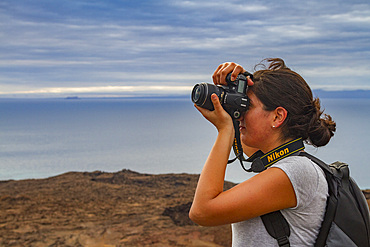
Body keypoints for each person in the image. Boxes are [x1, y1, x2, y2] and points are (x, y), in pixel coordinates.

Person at [189, 58, 336, 246]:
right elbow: (238, 143)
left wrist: (225, 129)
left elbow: (202, 211)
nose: (240, 114)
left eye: (246, 106)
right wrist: (232, 89)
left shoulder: (297, 171)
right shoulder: (284, 164)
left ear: (278, 116)